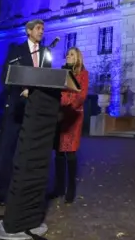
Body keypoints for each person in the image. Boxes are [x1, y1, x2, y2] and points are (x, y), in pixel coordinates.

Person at [0, 19, 52, 206]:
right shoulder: (16, 51)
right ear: (28, 31)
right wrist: (22, 91)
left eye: (43, 29)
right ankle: (2, 193)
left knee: (29, 153)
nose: (41, 31)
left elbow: (47, 79)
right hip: (16, 109)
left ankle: (25, 193)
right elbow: (6, 77)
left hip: (36, 111)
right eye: (38, 28)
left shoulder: (46, 53)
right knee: (9, 151)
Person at [52, 47, 89, 203]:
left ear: (78, 58)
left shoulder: (83, 74)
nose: (68, 56)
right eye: (67, 54)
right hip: (58, 115)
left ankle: (71, 188)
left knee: (70, 152)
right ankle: (59, 187)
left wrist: (67, 106)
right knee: (59, 153)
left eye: (71, 54)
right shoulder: (61, 72)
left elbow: (81, 95)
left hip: (73, 116)